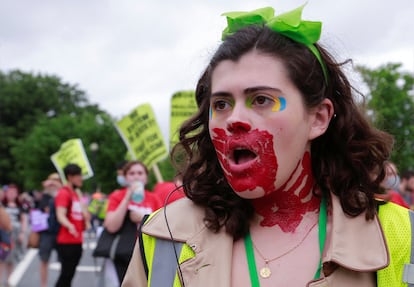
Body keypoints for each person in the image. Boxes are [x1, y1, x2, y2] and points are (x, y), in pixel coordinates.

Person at [122, 4, 413, 287]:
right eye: (221, 103)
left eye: (261, 100)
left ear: (318, 119)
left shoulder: (401, 236)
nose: (234, 119)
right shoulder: (163, 235)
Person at [104, 160, 161, 283]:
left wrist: (143, 218)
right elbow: (111, 226)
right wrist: (127, 197)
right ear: (125, 178)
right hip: (124, 252)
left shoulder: (154, 198)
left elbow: (163, 227)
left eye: (140, 173)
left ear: (146, 178)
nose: (136, 176)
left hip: (147, 252)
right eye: (132, 173)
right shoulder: (117, 196)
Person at [54, 164, 86, 287]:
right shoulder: (64, 193)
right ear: (70, 177)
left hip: (77, 239)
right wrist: (70, 226)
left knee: (69, 275)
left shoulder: (76, 194)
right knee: (66, 275)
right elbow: (60, 214)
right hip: (67, 240)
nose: (81, 178)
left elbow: (85, 216)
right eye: (78, 175)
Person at [0, 184, 28, 286]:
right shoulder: (2, 205)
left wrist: (22, 233)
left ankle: (8, 280)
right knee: (1, 258)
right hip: (2, 235)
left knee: (11, 259)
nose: (11, 194)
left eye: (13, 192)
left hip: (14, 235)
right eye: (9, 192)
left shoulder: (21, 206)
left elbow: (24, 220)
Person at [38, 173, 62, 287]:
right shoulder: (45, 196)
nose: (53, 184)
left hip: (61, 232)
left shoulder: (63, 195)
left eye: (56, 181)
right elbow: (45, 209)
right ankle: (44, 285)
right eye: (51, 181)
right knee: (44, 259)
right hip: (47, 233)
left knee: (63, 261)